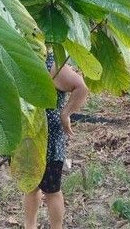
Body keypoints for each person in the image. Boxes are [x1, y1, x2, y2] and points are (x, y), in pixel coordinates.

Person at [24, 51, 89, 229]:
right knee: (30, 186)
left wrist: (65, 114)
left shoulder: (50, 63)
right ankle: (29, 226)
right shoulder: (22, 57)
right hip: (29, 135)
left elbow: (81, 87)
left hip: (50, 138)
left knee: (51, 190)